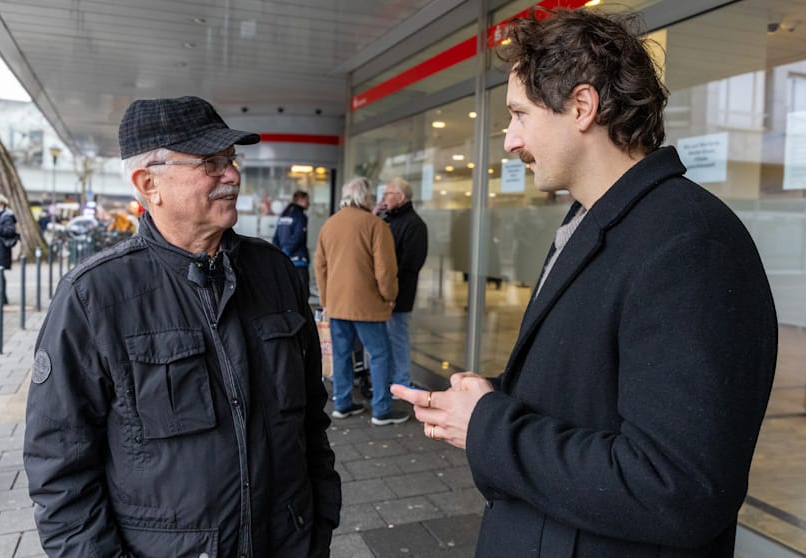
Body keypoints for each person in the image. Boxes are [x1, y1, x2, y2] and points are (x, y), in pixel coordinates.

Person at [393, 8, 777, 557]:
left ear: (581, 107)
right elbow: (591, 390)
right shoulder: (594, 219)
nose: (510, 141)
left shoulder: (690, 244)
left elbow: (675, 488)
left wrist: (488, 426)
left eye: (520, 115)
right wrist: (492, 395)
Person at [24, 96, 340, 557]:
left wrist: (320, 523)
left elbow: (311, 417)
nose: (232, 175)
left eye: (230, 159)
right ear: (148, 183)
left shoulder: (274, 272)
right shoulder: (94, 296)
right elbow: (60, 470)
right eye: (211, 163)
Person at [315, 177, 408, 426]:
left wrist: (325, 300)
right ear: (366, 197)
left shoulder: (330, 224)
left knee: (341, 354)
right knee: (378, 355)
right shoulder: (376, 226)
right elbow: (385, 270)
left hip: (337, 304)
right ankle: (381, 409)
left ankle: (342, 404)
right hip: (368, 306)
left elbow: (320, 267)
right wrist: (390, 296)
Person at [377, 178, 428, 390]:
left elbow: (410, 264)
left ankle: (401, 382)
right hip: (384, 291)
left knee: (397, 337)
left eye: (388, 194)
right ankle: (390, 380)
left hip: (400, 292)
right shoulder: (386, 220)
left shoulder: (414, 225)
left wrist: (390, 287)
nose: (384, 199)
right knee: (384, 340)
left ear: (401, 197)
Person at [272, 190, 311, 293]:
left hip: (283, 263)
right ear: (300, 200)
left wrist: (279, 254)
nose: (309, 203)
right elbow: (298, 237)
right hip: (298, 261)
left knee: (286, 293)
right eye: (307, 200)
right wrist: (286, 252)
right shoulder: (301, 216)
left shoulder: (283, 215)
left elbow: (275, 238)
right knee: (302, 293)